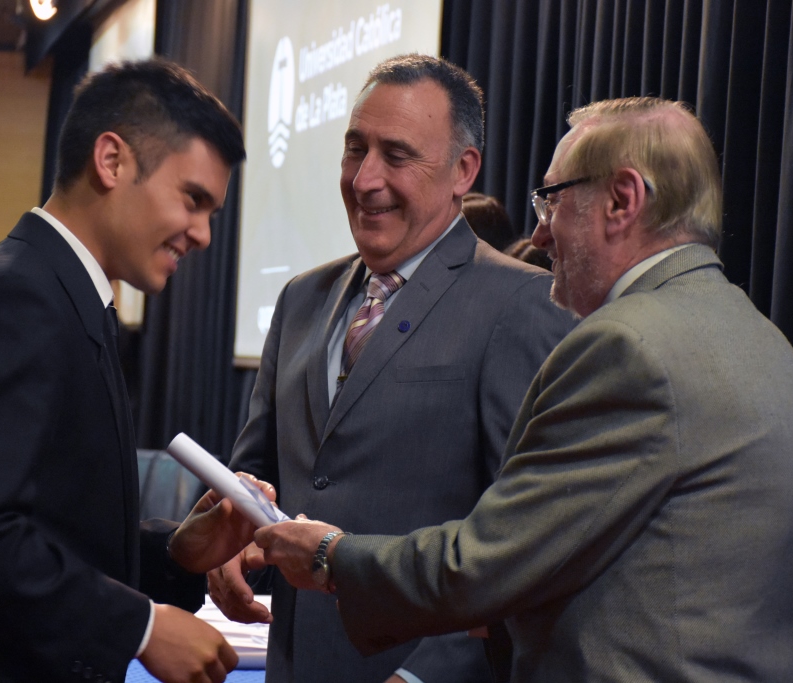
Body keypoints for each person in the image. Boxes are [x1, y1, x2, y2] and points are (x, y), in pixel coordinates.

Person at [253, 97, 793, 682]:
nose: (537, 233)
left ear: (622, 200)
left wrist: (330, 557)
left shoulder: (625, 347)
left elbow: (484, 564)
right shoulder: (765, 342)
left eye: (551, 200)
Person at [0, 59, 253, 683]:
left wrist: (177, 552)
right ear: (111, 161)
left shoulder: (62, 295)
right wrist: (139, 625)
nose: (203, 234)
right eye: (194, 200)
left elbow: (52, 529)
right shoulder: (12, 299)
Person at [215, 55, 575, 683]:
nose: (364, 179)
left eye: (397, 155)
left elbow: (527, 545)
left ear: (463, 171)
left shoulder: (522, 306)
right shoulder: (301, 298)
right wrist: (230, 537)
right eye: (355, 150)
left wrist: (424, 677)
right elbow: (263, 471)